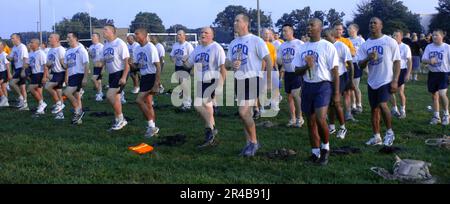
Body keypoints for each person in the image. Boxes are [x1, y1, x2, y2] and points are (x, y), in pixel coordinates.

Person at [293, 18, 339, 165]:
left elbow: (335, 71)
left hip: (323, 86)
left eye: (312, 25)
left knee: (320, 119)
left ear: (320, 28)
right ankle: (315, 152)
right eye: (308, 25)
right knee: (310, 122)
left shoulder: (327, 46)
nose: (309, 27)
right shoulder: (302, 47)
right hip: (307, 86)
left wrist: (336, 93)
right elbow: (296, 70)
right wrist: (307, 66)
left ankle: (325, 148)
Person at [227, 14, 272, 157]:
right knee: (245, 115)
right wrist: (232, 63)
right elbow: (227, 63)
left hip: (253, 79)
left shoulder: (256, 40)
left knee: (243, 111)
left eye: (237, 20)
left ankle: (254, 142)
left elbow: (268, 60)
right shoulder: (233, 42)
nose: (234, 23)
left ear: (245, 23)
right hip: (238, 79)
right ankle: (248, 144)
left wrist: (269, 81)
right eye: (234, 20)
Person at [357, 17, 401, 147]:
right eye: (370, 23)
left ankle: (389, 133)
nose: (372, 25)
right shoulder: (365, 44)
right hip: (372, 81)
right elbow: (360, 64)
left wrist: (395, 80)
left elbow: (397, 61)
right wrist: (368, 58)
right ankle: (376, 136)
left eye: (375, 23)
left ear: (381, 25)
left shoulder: (389, 41)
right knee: (374, 109)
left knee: (382, 105)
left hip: (386, 79)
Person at [184, 27, 226, 148]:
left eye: (206, 33)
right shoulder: (197, 48)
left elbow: (223, 68)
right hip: (201, 81)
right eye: (201, 32)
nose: (203, 34)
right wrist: (183, 61)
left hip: (213, 79)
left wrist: (221, 84)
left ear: (212, 36)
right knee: (207, 107)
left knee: (198, 105)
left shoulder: (216, 48)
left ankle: (210, 129)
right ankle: (211, 131)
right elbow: (188, 64)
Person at [324, 29, 354, 140]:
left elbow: (350, 64)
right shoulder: (324, 46)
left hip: (341, 76)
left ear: (332, 35)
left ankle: (342, 127)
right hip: (329, 78)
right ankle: (331, 126)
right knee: (330, 103)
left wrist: (350, 81)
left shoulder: (341, 46)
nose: (324, 38)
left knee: (336, 102)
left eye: (326, 36)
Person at [132, 28, 161, 138]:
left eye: (137, 34)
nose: (135, 36)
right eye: (135, 34)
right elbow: (137, 66)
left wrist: (156, 83)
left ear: (144, 35)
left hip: (151, 77)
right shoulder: (137, 49)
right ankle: (153, 127)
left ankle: (151, 126)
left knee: (139, 100)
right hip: (143, 77)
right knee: (148, 104)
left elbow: (158, 66)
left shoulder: (150, 47)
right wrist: (130, 63)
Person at [102, 24, 130, 131]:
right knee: (116, 98)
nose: (103, 31)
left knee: (110, 96)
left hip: (121, 73)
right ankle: (118, 120)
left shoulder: (120, 43)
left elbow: (127, 62)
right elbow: (105, 60)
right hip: (112, 74)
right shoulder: (106, 44)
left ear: (112, 32)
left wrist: (123, 77)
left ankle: (121, 119)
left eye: (105, 30)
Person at [277, 23, 305, 128]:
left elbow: (304, 56)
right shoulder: (282, 45)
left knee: (295, 94)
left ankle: (300, 117)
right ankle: (292, 118)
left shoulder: (299, 43)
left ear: (291, 31)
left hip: (297, 73)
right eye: (282, 31)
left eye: (285, 31)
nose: (283, 33)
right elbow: (279, 60)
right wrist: (280, 61)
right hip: (287, 73)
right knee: (289, 97)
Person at [422, 29, 450, 126]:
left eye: (436, 35)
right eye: (433, 35)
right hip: (432, 74)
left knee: (442, 94)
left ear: (442, 36)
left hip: (443, 73)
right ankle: (436, 116)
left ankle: (446, 114)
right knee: (434, 95)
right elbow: (423, 59)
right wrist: (430, 61)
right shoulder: (429, 47)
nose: (434, 37)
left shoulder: (447, 47)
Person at [63, 32, 89, 125]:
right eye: (67, 37)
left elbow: (86, 64)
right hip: (71, 76)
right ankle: (78, 119)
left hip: (79, 75)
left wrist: (85, 78)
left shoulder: (81, 49)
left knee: (66, 93)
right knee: (77, 96)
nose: (67, 39)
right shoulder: (68, 51)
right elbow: (66, 66)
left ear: (75, 38)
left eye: (69, 37)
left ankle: (78, 111)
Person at [333, 22, 356, 121]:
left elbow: (353, 53)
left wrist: (344, 51)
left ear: (343, 31)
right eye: (336, 29)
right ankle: (332, 114)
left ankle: (348, 114)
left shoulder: (346, 41)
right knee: (334, 94)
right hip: (333, 72)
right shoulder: (329, 41)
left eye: (340, 29)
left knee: (347, 93)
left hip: (345, 70)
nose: (338, 31)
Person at [390, 30, 412, 119]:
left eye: (396, 35)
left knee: (400, 92)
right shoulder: (390, 46)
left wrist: (408, 73)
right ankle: (394, 109)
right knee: (390, 91)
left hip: (402, 70)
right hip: (391, 71)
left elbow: (410, 61)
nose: (394, 37)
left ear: (401, 37)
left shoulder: (405, 47)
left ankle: (403, 110)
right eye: (393, 35)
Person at [170, 30, 194, 110]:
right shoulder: (175, 45)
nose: (178, 36)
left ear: (184, 36)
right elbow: (171, 55)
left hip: (185, 67)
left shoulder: (188, 45)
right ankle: (185, 100)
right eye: (177, 35)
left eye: (180, 34)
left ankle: (187, 103)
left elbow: (192, 57)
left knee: (184, 83)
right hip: (178, 66)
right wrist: (172, 58)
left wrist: (192, 68)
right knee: (181, 84)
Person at [45, 34, 66, 119]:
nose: (49, 39)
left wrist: (67, 76)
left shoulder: (60, 50)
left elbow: (65, 65)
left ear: (57, 39)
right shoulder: (50, 50)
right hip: (54, 73)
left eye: (51, 37)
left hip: (61, 73)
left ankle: (58, 103)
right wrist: (48, 65)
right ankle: (60, 114)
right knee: (58, 92)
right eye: (49, 37)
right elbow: (48, 64)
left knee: (47, 86)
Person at [26, 39, 48, 115]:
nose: (30, 44)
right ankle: (41, 108)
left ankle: (42, 104)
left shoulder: (40, 53)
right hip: (33, 74)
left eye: (32, 42)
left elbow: (45, 66)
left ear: (37, 44)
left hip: (39, 73)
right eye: (30, 42)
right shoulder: (31, 53)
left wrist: (45, 77)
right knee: (38, 92)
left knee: (30, 88)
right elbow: (28, 64)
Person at [7, 33, 29, 110]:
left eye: (13, 38)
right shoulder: (14, 48)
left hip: (22, 68)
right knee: (21, 86)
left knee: (12, 83)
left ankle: (21, 99)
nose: (11, 40)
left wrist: (23, 70)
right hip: (17, 68)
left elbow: (25, 59)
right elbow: (11, 58)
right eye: (11, 38)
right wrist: (7, 56)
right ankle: (24, 104)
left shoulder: (22, 47)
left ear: (18, 38)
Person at [348, 24, 366, 114]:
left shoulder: (361, 40)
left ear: (355, 30)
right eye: (348, 28)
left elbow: (364, 52)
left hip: (356, 64)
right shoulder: (347, 40)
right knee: (350, 87)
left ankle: (359, 105)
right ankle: (353, 105)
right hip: (348, 64)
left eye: (350, 28)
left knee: (355, 86)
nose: (348, 30)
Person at [88, 33, 105, 102]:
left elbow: (104, 59)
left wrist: (103, 68)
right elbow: (92, 57)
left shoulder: (101, 46)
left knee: (93, 79)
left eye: (93, 36)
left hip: (100, 66)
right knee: (98, 81)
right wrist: (90, 53)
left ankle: (99, 93)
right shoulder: (91, 46)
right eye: (92, 36)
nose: (92, 37)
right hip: (95, 66)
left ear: (98, 38)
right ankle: (100, 93)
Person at [0, 41, 11, 107]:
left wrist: (9, 74)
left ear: (2, 46)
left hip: (4, 73)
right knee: (3, 88)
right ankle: (6, 102)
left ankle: (3, 99)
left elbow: (7, 65)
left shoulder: (4, 55)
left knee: (3, 87)